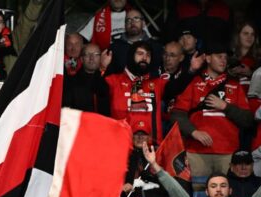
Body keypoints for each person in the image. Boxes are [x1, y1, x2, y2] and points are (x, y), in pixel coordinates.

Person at [172, 42, 253, 177]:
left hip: (228, 152)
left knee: (226, 195)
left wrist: (225, 107)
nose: (223, 60)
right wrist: (194, 132)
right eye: (219, 56)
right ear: (208, 58)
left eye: (225, 57)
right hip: (197, 152)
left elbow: (248, 120)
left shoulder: (234, 85)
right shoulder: (194, 82)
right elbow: (176, 115)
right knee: (199, 196)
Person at [107, 9, 163, 75]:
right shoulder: (115, 47)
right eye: (129, 20)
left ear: (143, 23)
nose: (132, 22)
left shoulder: (156, 47)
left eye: (136, 19)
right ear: (125, 25)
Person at [62, 42, 110, 115]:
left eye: (96, 54)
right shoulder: (71, 82)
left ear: (101, 58)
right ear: (81, 59)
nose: (91, 58)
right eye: (87, 54)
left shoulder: (109, 80)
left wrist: (102, 69)